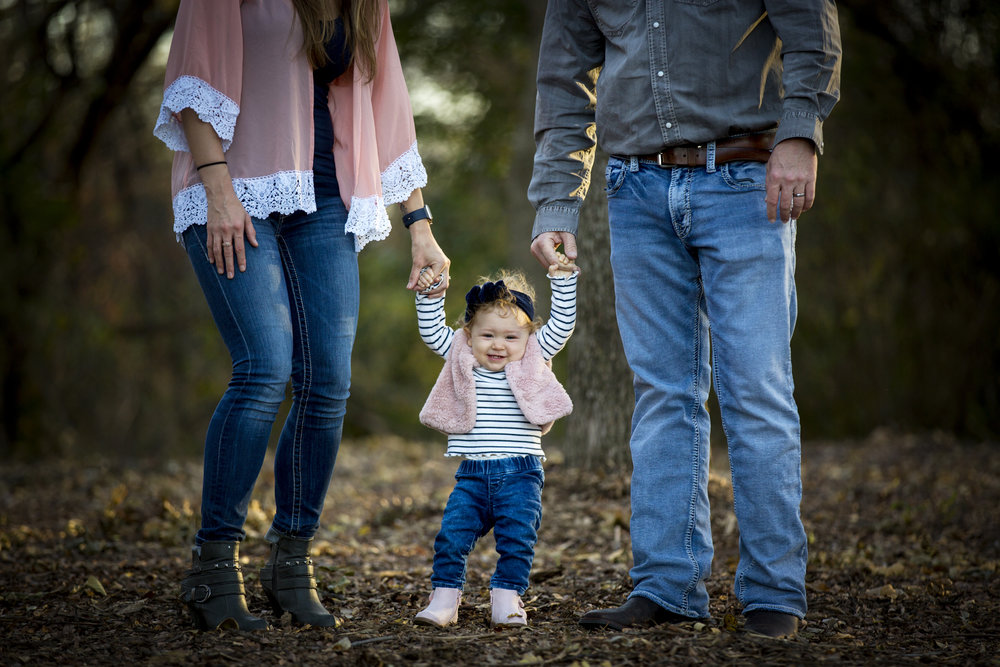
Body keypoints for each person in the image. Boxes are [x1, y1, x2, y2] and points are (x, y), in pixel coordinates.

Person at [527, 0, 842, 639]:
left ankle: (773, 593)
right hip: (633, 190)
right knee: (663, 394)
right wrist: (557, 199)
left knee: (756, 391)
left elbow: (814, 33)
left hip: (747, 179)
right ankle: (666, 586)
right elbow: (563, 78)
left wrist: (800, 131)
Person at [153, 0, 449, 630]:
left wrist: (419, 225)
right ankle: (212, 568)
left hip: (326, 198)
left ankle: (290, 562)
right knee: (263, 368)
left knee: (327, 384)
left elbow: (390, 107)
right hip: (234, 189)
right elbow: (191, 81)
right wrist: (218, 188)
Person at [410, 256, 578, 627]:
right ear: (469, 335)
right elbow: (432, 332)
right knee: (452, 536)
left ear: (528, 337)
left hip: (521, 472)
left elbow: (563, 324)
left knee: (517, 539)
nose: (498, 345)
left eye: (510, 336)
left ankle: (507, 599)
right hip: (472, 474)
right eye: (487, 335)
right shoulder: (462, 356)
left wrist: (563, 278)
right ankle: (444, 601)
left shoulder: (533, 357)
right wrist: (429, 294)